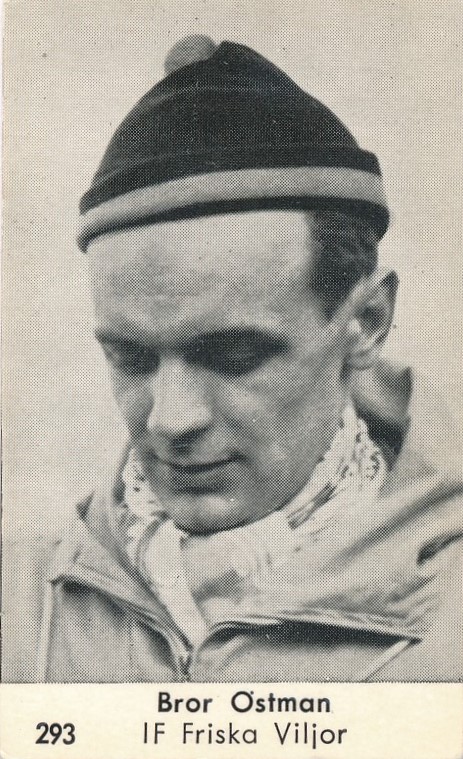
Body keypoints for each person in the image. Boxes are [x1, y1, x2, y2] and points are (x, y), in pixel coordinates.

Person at [3, 36, 462, 683]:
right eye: (130, 357)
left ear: (366, 321)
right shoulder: (18, 606)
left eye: (234, 356)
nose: (170, 420)